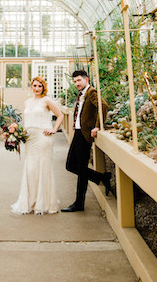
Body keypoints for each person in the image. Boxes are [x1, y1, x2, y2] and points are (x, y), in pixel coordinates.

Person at [11, 76, 65, 215]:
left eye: (39, 86)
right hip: (30, 140)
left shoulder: (46, 100)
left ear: (43, 87)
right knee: (30, 169)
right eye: (34, 86)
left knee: (43, 168)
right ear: (31, 87)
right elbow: (27, 122)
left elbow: (60, 115)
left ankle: (45, 203)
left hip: (43, 138)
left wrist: (54, 129)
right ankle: (31, 202)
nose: (36, 88)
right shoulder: (27, 102)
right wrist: (16, 134)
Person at [62, 70, 111, 212]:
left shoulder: (92, 92)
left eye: (79, 81)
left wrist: (97, 126)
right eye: (75, 81)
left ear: (86, 79)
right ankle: (102, 177)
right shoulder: (82, 93)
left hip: (84, 134)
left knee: (79, 167)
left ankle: (79, 203)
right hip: (78, 132)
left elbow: (103, 106)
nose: (77, 83)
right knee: (71, 165)